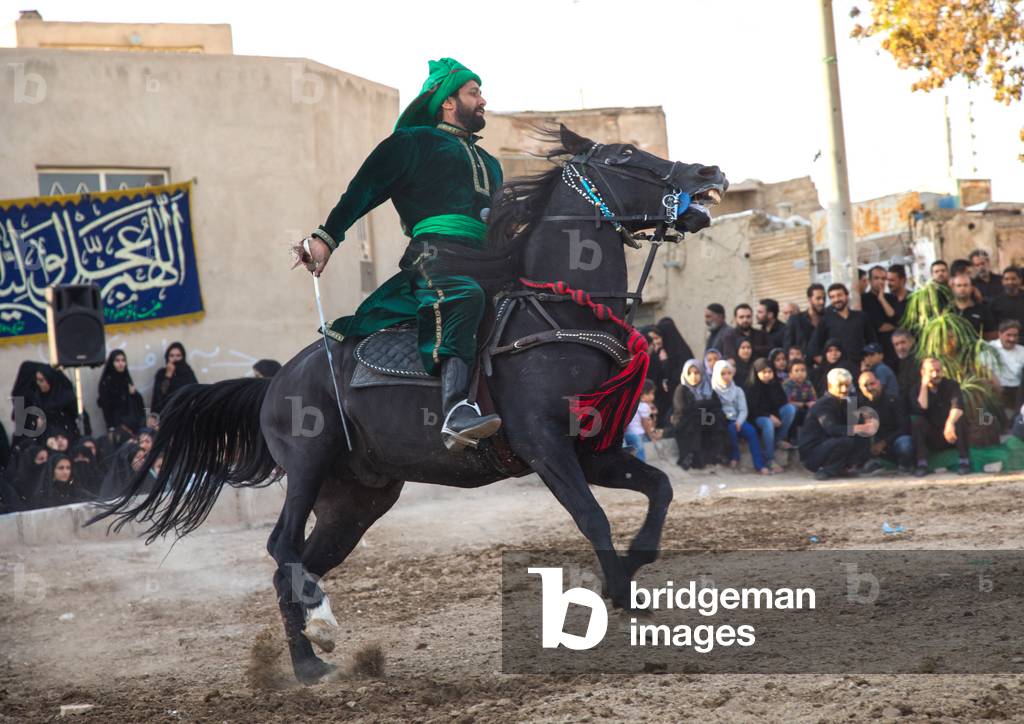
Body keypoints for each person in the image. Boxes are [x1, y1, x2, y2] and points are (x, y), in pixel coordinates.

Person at [293, 57, 502, 452]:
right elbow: (362, 190)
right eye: (474, 92)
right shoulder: (412, 144)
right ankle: (456, 410)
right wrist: (325, 238)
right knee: (464, 296)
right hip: (436, 257)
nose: (484, 100)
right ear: (447, 101)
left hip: (487, 257)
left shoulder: (490, 163)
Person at [798, 368, 876, 481]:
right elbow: (832, 429)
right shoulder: (823, 404)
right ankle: (827, 470)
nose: (844, 389)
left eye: (847, 385)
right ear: (830, 386)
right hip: (813, 453)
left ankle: (849, 466)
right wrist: (858, 427)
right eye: (840, 385)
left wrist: (865, 424)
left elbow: (855, 424)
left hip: (831, 444)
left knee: (861, 435)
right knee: (846, 439)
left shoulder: (849, 401)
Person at [909, 358, 970, 476]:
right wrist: (924, 386)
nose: (935, 374)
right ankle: (922, 464)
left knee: (959, 419)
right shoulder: (915, 390)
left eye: (938, 370)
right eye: (931, 371)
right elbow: (921, 408)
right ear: (923, 373)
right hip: (932, 436)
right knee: (917, 422)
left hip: (950, 434)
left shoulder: (951, 385)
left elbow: (958, 407)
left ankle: (964, 462)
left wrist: (950, 423)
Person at [711, 360, 769, 475]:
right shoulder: (714, 391)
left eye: (729, 373)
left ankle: (759, 465)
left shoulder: (737, 390)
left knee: (752, 432)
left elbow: (743, 409)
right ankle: (734, 456)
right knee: (731, 429)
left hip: (738, 420)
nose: (726, 376)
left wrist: (739, 421)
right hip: (723, 422)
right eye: (723, 373)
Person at [744, 358, 797, 473]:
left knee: (790, 409)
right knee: (767, 423)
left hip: (773, 415)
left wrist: (775, 415)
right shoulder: (751, 387)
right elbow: (752, 409)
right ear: (757, 373)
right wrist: (769, 416)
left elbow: (782, 402)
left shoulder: (775, 384)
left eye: (770, 371)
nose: (767, 375)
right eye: (764, 372)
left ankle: (778, 439)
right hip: (757, 418)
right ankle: (769, 459)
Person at [671, 360, 726, 470]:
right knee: (695, 420)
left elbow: (716, 404)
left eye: (697, 373)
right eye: (690, 373)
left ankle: (717, 454)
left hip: (703, 418)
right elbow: (683, 409)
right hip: (685, 421)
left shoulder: (708, 387)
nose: (693, 376)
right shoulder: (681, 389)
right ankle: (689, 456)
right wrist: (704, 404)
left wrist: (698, 406)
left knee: (717, 417)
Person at [809, 283, 877, 368]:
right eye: (832, 297)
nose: (836, 299)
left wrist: (868, 363)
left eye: (839, 295)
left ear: (846, 295)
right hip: (837, 371)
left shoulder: (861, 317)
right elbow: (813, 349)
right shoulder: (826, 320)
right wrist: (828, 366)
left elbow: (872, 342)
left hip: (860, 368)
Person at [857, 370, 914, 472]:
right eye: (865, 385)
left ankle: (904, 465)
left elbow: (904, 427)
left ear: (879, 383)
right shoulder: (855, 403)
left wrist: (883, 443)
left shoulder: (894, 400)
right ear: (860, 388)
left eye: (872, 383)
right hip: (868, 446)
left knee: (906, 443)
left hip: (891, 442)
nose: (869, 388)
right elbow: (850, 430)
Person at [97, 349, 145, 435]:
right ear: (112, 363)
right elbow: (106, 407)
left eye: (123, 360)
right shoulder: (107, 382)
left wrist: (134, 394)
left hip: (132, 425)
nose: (121, 363)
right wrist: (111, 427)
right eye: (117, 361)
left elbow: (138, 403)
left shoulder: (126, 378)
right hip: (117, 426)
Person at [861, 265, 900, 367]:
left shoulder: (891, 298)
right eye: (876, 278)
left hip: (892, 347)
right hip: (876, 347)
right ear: (870, 280)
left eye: (883, 279)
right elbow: (878, 326)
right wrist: (893, 326)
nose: (880, 282)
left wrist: (882, 299)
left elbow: (895, 318)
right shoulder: (864, 299)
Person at [655, 316, 694, 418]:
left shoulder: (682, 352)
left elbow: (678, 375)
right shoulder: (662, 350)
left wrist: (666, 362)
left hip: (680, 396)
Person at [151, 342, 199, 414]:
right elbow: (159, 395)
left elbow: (195, 392)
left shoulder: (188, 373)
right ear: (167, 357)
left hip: (186, 413)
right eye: (172, 356)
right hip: (166, 413)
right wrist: (168, 375)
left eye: (178, 355)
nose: (175, 359)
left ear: (183, 357)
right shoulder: (161, 373)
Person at [987, 319, 1024, 415]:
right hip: (997, 389)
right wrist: (997, 388)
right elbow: (985, 370)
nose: (1012, 339)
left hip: (1018, 391)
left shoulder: (1022, 351)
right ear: (1000, 334)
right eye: (1009, 335)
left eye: (1015, 336)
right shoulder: (989, 348)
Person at [784, 284, 826, 360]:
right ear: (809, 299)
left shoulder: (828, 319)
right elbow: (788, 347)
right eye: (818, 298)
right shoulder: (795, 320)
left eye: (824, 298)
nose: (822, 302)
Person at [950, 273, 997, 340]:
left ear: (971, 288)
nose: (962, 288)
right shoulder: (947, 310)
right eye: (959, 285)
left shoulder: (982, 309)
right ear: (953, 288)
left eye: (965, 285)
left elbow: (992, 334)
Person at [624, 380, 659, 461]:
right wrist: (650, 435)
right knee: (640, 457)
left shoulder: (635, 404)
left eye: (652, 393)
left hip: (628, 433)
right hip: (638, 435)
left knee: (632, 454)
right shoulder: (644, 406)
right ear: (642, 395)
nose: (652, 396)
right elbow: (645, 423)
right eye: (649, 394)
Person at [783, 358, 817, 431]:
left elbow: (813, 398)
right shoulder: (787, 384)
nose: (800, 373)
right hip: (793, 410)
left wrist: (812, 403)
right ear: (790, 374)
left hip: (806, 408)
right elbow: (787, 402)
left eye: (803, 370)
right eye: (796, 371)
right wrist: (804, 404)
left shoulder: (808, 383)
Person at [892, 327, 919, 393]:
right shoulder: (897, 361)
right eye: (896, 344)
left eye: (903, 342)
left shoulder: (918, 360)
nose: (900, 347)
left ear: (911, 341)